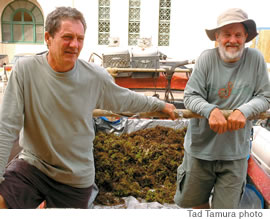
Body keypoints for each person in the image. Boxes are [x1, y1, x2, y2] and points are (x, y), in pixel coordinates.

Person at [0, 6, 176, 209]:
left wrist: (159, 104)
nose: (74, 45)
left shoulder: (94, 76)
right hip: (34, 166)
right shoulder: (25, 70)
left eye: (80, 38)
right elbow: (6, 127)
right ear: (48, 38)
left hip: (74, 177)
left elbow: (126, 99)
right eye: (67, 37)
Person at [174, 8, 270, 209]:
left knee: (225, 211)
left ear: (246, 37)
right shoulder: (207, 59)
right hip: (200, 150)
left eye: (238, 35)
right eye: (227, 34)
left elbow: (265, 96)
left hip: (234, 154)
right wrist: (211, 110)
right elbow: (191, 96)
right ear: (217, 37)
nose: (232, 40)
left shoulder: (255, 60)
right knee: (196, 204)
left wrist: (243, 110)